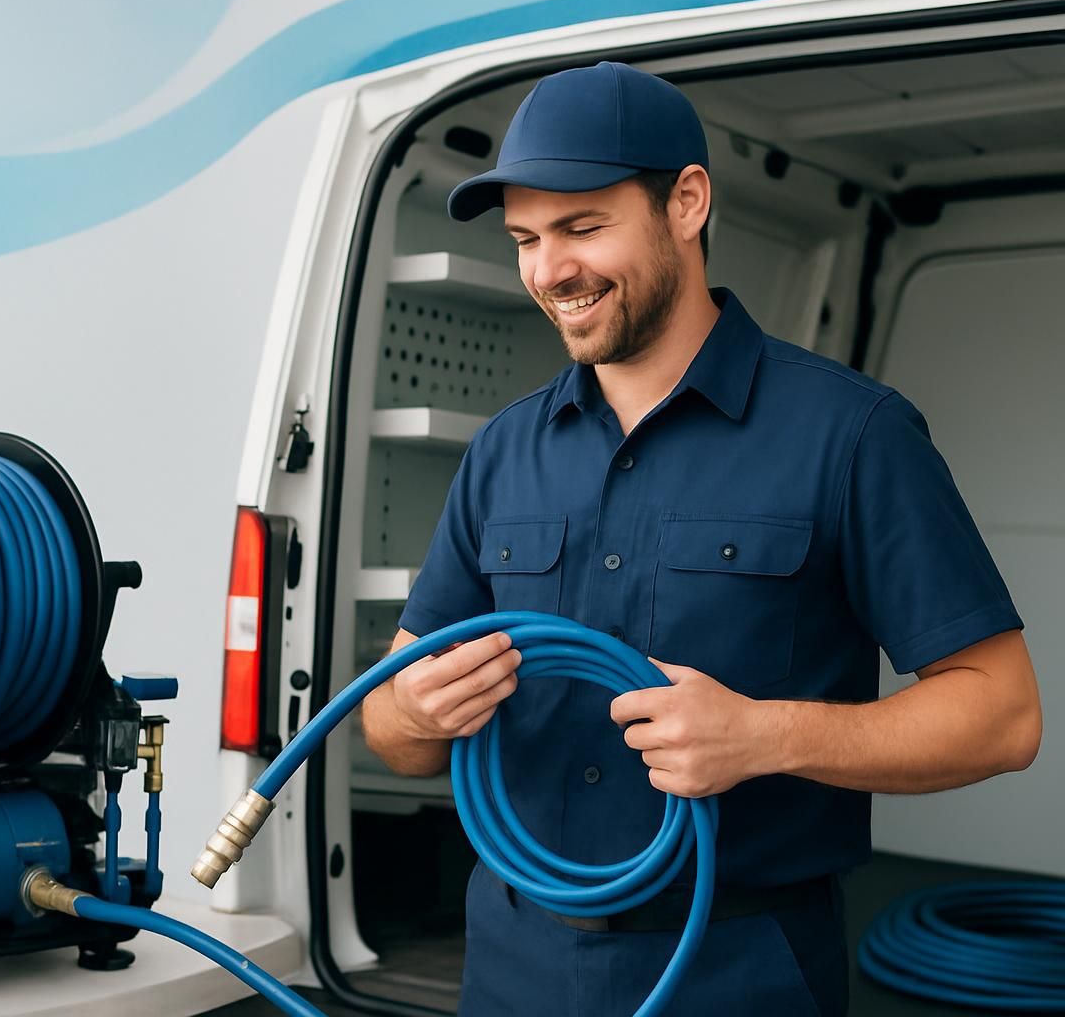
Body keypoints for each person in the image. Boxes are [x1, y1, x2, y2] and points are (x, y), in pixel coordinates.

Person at [358, 60, 1043, 1017]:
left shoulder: (851, 435)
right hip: (513, 964)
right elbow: (390, 729)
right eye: (526, 238)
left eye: (584, 228)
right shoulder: (505, 451)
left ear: (687, 201)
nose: (551, 271)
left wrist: (765, 735)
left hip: (741, 965)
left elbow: (1002, 716)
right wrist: (415, 716)